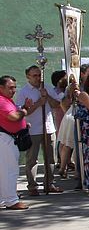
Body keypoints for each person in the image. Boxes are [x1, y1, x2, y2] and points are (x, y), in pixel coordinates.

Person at [16, 65, 63, 195]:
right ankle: (32, 186)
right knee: (32, 159)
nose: (37, 78)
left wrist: (47, 97)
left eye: (39, 75)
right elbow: (22, 112)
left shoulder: (46, 87)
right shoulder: (24, 91)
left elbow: (57, 104)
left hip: (48, 127)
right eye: (34, 76)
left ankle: (49, 183)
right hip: (33, 129)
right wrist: (38, 103)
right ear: (28, 77)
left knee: (51, 158)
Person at [0, 75, 30, 209]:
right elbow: (13, 117)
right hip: (5, 139)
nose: (13, 90)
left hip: (9, 138)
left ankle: (3, 198)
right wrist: (23, 111)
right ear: (1, 88)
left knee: (4, 170)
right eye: (10, 88)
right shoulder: (2, 101)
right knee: (9, 170)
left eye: (14, 88)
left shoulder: (7, 100)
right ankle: (11, 200)